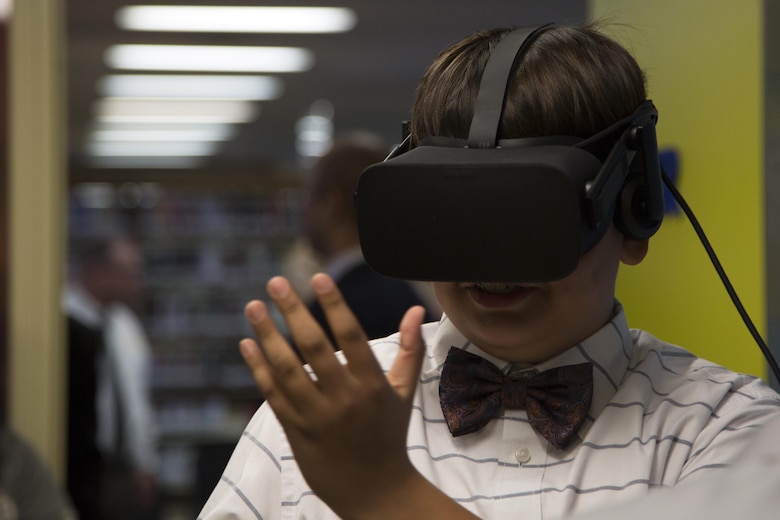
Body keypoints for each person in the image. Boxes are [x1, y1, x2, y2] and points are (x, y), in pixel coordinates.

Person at [198, 22, 780, 520]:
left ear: (632, 212)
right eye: (455, 212)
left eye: (528, 215)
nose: (488, 263)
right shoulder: (318, 415)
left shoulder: (737, 433)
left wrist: (387, 495)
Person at [298, 134, 439, 346]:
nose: (303, 211)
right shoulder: (406, 296)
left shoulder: (331, 311)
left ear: (331, 203)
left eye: (308, 197)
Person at [63, 234, 159, 520]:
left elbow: (137, 400)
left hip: (121, 469)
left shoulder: (124, 325)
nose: (136, 280)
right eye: (128, 271)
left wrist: (145, 462)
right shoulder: (63, 322)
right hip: (77, 465)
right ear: (97, 271)